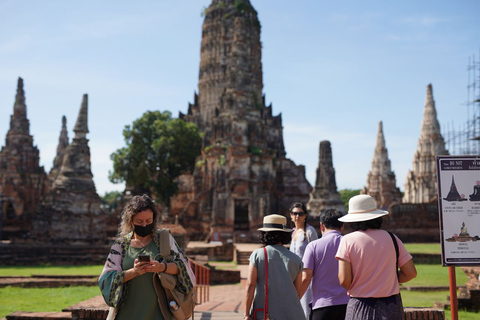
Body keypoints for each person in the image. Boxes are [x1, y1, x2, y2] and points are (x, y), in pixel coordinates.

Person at [98, 194, 195, 320]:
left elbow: (184, 267)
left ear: (154, 220)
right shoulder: (120, 245)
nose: (144, 225)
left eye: (148, 221)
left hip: (161, 313)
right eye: (139, 221)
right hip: (127, 314)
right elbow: (105, 280)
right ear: (130, 221)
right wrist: (134, 272)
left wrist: (161, 267)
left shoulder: (164, 240)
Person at [335, 195, 417, 320]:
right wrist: (388, 280)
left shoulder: (347, 240)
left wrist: (363, 283)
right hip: (391, 305)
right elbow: (411, 273)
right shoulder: (392, 238)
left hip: (360, 304)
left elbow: (344, 280)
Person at [244, 214, 306, 320]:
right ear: (285, 234)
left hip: (266, 314)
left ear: (264, 234)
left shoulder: (258, 255)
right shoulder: (296, 259)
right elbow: (297, 292)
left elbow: (250, 284)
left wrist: (246, 314)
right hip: (293, 314)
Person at [301, 209, 349, 320]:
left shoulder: (313, 246)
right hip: (347, 305)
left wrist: (296, 298)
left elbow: (306, 278)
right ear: (342, 227)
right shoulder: (350, 244)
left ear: (321, 226)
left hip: (322, 306)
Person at [289, 202, 318, 319]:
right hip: (293, 275)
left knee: (306, 308)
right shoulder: (292, 232)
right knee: (295, 307)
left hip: (307, 276)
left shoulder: (310, 231)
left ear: (305, 215)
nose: (297, 216)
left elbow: (317, 254)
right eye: (294, 213)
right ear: (290, 215)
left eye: (300, 214)